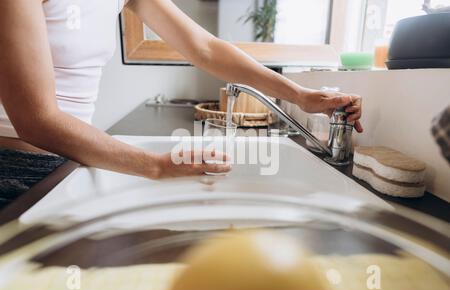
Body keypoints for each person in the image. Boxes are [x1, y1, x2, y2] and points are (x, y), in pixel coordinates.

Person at [0, 0, 363, 209]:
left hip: (70, 162)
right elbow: (37, 119)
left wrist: (299, 94)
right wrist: (157, 167)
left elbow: (204, 48)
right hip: (16, 172)